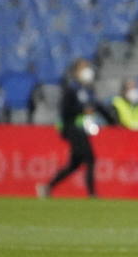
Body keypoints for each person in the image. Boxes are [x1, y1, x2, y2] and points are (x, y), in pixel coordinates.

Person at [37, 58, 117, 198]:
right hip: (71, 128)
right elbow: (65, 111)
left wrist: (112, 121)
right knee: (90, 158)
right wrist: (82, 109)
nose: (87, 71)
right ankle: (92, 193)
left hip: (82, 129)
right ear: (76, 72)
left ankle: (47, 187)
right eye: (83, 68)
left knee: (75, 164)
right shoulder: (71, 90)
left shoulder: (88, 90)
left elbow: (97, 107)